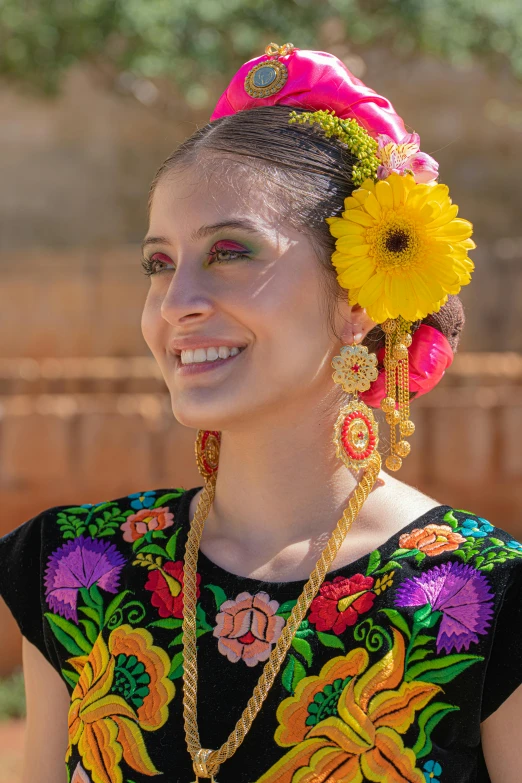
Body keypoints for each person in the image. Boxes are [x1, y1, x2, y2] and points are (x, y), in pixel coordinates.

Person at [0, 42, 521, 783]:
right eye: (159, 263)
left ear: (355, 302)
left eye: (231, 252)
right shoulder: (74, 574)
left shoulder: (485, 596)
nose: (176, 304)